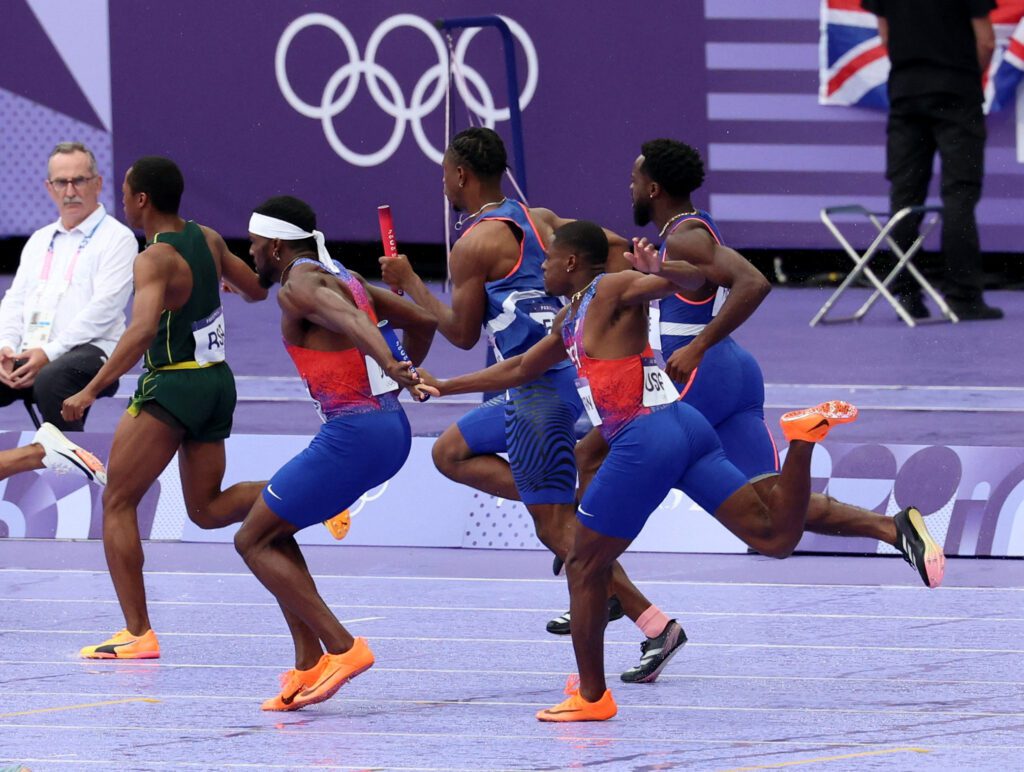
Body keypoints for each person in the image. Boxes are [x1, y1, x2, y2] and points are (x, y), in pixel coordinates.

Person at [418, 220, 858, 722]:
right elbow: (519, 370)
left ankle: (591, 698)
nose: (540, 267)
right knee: (774, 538)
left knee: (584, 566)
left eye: (547, 260)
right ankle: (801, 441)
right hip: (683, 424)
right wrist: (443, 386)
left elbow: (692, 282)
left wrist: (662, 269)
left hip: (643, 439)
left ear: (569, 263)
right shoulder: (573, 314)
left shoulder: (611, 286)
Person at [557, 140, 946, 683]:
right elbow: (619, 248)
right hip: (731, 376)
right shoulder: (681, 233)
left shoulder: (686, 234)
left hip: (700, 375)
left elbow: (753, 282)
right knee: (770, 511)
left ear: (653, 188)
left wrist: (698, 345)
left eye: (632, 179)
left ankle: (598, 580)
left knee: (592, 452)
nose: (628, 188)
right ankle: (891, 526)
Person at [379, 126, 669, 667]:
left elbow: (461, 335)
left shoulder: (472, 245)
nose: (443, 182)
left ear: (461, 175)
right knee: (449, 452)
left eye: (444, 173)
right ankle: (560, 499)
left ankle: (656, 625)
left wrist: (409, 280)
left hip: (537, 391)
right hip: (555, 378)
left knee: (556, 528)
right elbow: (620, 251)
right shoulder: (544, 220)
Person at [61, 156, 269, 659]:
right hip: (218, 383)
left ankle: (136, 633)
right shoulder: (210, 239)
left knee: (118, 502)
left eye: (126, 192)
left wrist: (91, 389)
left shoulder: (152, 258)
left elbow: (141, 331)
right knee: (206, 508)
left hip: (173, 386)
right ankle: (311, 491)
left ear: (141, 201)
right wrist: (215, 282)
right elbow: (259, 289)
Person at [234, 196, 435, 711]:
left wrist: (392, 364)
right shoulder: (341, 273)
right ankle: (307, 661)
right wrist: (404, 365)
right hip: (390, 429)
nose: (251, 251)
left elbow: (350, 322)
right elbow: (425, 321)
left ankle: (343, 648)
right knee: (273, 530)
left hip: (355, 433)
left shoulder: (299, 285)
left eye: (254, 244)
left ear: (275, 244)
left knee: (251, 540)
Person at [0, 142, 137, 484]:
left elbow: (104, 310)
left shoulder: (118, 239)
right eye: (61, 182)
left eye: (79, 180)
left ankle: (76, 480)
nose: (70, 190)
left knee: (53, 379)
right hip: (31, 353)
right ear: (49, 188)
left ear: (98, 183)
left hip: (93, 353)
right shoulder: (39, 240)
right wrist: (4, 347)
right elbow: (14, 300)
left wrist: (48, 353)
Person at [863, 0, 1001, 320]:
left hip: (906, 94)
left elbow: (885, 36)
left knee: (905, 196)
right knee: (959, 195)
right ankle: (963, 297)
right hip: (958, 92)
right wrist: (963, 75)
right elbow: (986, 40)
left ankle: (908, 298)